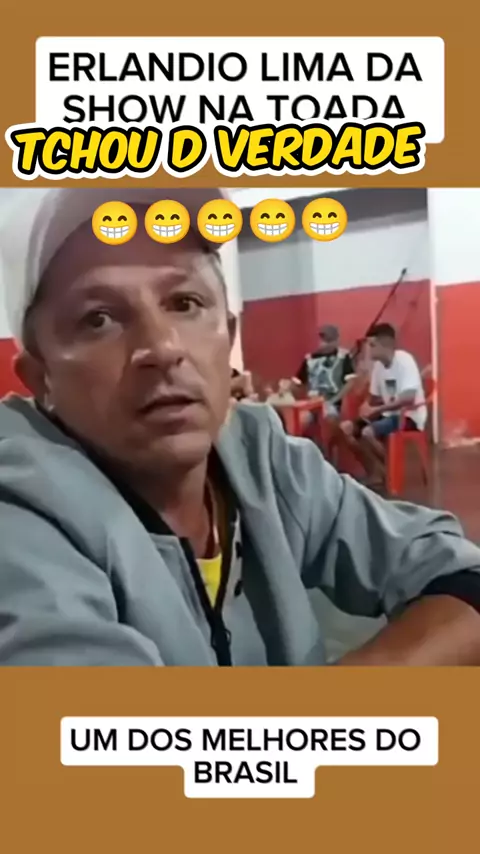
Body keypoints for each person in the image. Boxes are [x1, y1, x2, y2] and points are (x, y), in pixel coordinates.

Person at [0, 188, 480, 667]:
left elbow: (460, 574)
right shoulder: (20, 518)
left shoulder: (262, 458)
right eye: (98, 318)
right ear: (41, 378)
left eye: (184, 302)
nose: (164, 347)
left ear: (228, 335)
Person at [340, 323, 426, 487]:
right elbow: (374, 396)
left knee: (367, 433)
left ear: (385, 345)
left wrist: (376, 409)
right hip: (387, 414)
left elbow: (408, 398)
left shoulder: (404, 361)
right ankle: (375, 472)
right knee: (347, 429)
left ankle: (391, 469)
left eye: (372, 345)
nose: (369, 349)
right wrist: (366, 406)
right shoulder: (378, 367)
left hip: (408, 415)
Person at [295, 325, 355, 418]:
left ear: (336, 341)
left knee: (330, 417)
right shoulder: (310, 358)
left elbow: (351, 381)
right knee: (300, 418)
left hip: (331, 402)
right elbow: (298, 381)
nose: (325, 344)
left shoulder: (343, 357)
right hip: (312, 401)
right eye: (323, 340)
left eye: (329, 341)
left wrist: (334, 399)